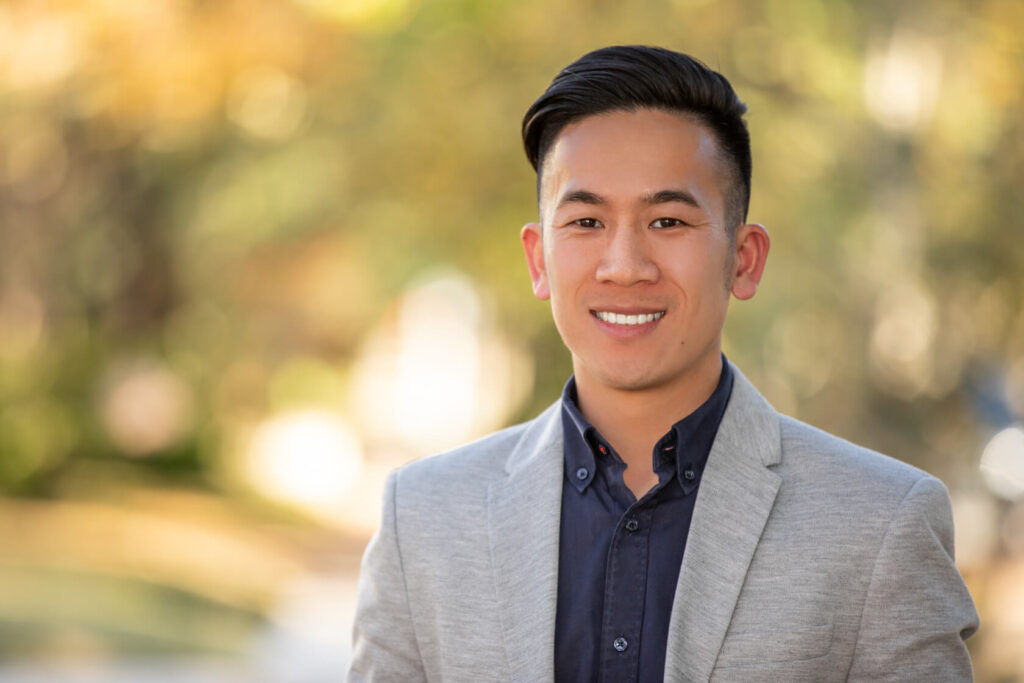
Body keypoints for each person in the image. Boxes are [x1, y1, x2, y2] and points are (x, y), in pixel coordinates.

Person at [347, 45, 979, 682]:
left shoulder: (882, 522)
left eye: (668, 220)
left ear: (744, 259)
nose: (624, 265)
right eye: (587, 220)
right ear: (539, 260)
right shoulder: (422, 519)